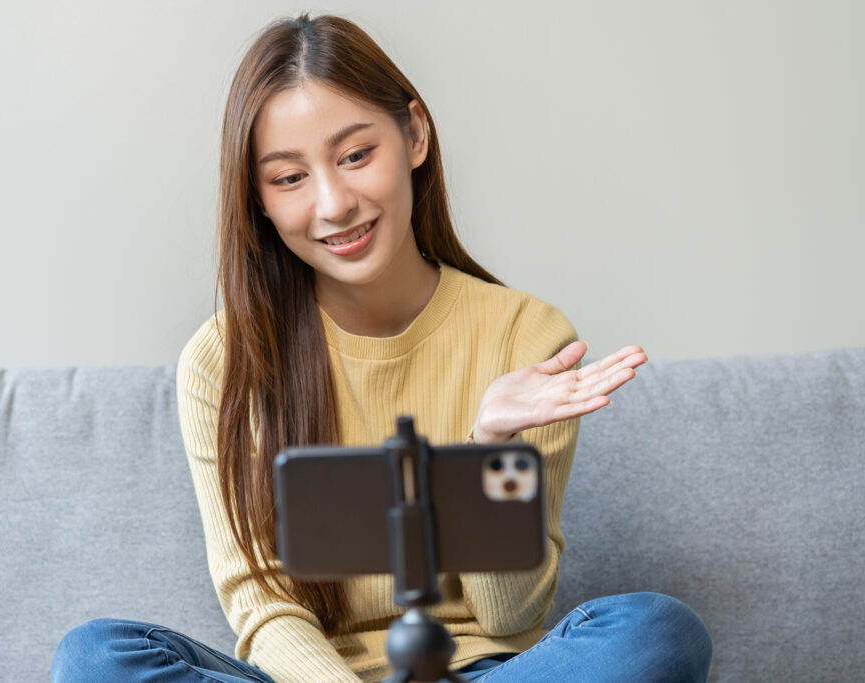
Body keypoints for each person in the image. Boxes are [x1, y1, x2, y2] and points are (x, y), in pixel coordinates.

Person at [51, 12, 712, 683]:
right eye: (289, 178)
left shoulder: (527, 337)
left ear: (414, 135)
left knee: (655, 632)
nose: (334, 203)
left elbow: (512, 615)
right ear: (259, 198)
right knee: (96, 657)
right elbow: (264, 606)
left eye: (356, 155)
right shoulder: (224, 359)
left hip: (480, 671)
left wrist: (486, 450)